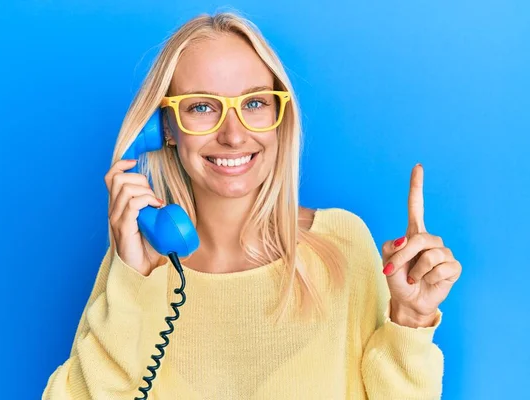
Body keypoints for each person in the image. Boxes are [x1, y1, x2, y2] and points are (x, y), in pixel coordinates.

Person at [42, 11, 462, 400]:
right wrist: (134, 278)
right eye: (202, 107)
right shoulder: (138, 264)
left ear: (281, 115)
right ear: (164, 128)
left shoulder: (342, 242)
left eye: (255, 103)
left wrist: (409, 316)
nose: (234, 135)